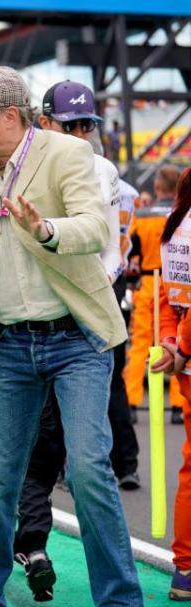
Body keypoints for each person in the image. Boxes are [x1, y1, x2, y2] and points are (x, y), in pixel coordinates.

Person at [0, 66, 151, 607]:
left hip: (76, 337)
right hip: (9, 343)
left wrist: (44, 228)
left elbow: (92, 229)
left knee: (88, 472)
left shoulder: (68, 155)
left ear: (10, 114)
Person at [11, 80, 143, 605]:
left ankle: (115, 594)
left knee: (92, 455)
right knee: (36, 446)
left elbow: (110, 248)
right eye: (72, 125)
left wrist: (88, 287)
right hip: (28, 326)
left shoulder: (104, 171)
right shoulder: (17, 164)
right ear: (45, 123)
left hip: (87, 321)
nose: (83, 134)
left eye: (89, 125)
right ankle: (31, 547)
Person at [149, 166, 191, 602]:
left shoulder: (175, 227)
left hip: (182, 360)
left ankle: (185, 569)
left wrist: (171, 343)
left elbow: (167, 294)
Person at [125, 165, 185, 424]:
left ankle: (131, 400)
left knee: (140, 344)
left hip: (147, 284)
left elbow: (131, 252)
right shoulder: (179, 216)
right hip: (173, 285)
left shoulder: (141, 217)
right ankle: (178, 407)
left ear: (158, 188)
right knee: (178, 342)